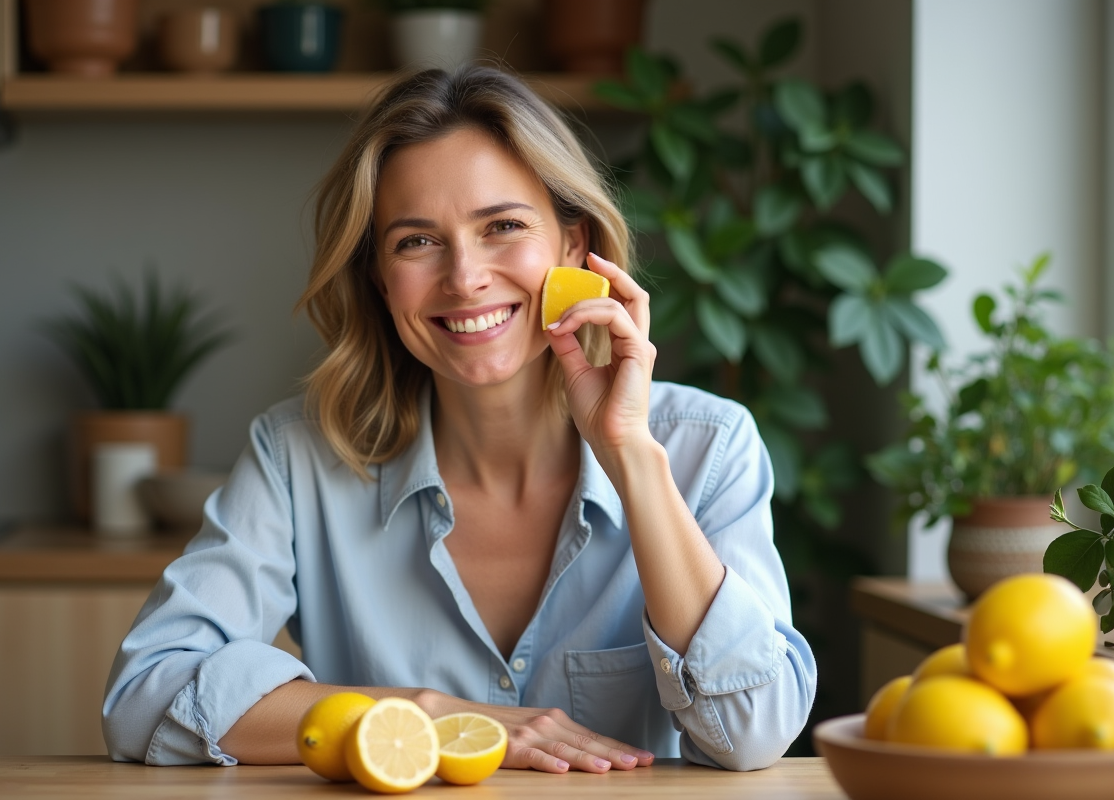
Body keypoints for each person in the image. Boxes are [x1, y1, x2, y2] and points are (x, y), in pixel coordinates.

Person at [102, 65, 816, 773]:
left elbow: (751, 732)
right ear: (381, 280)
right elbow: (145, 694)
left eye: (503, 226)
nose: (465, 277)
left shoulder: (709, 448)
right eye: (416, 241)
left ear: (574, 247)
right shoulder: (298, 458)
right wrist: (428, 715)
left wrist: (628, 452)